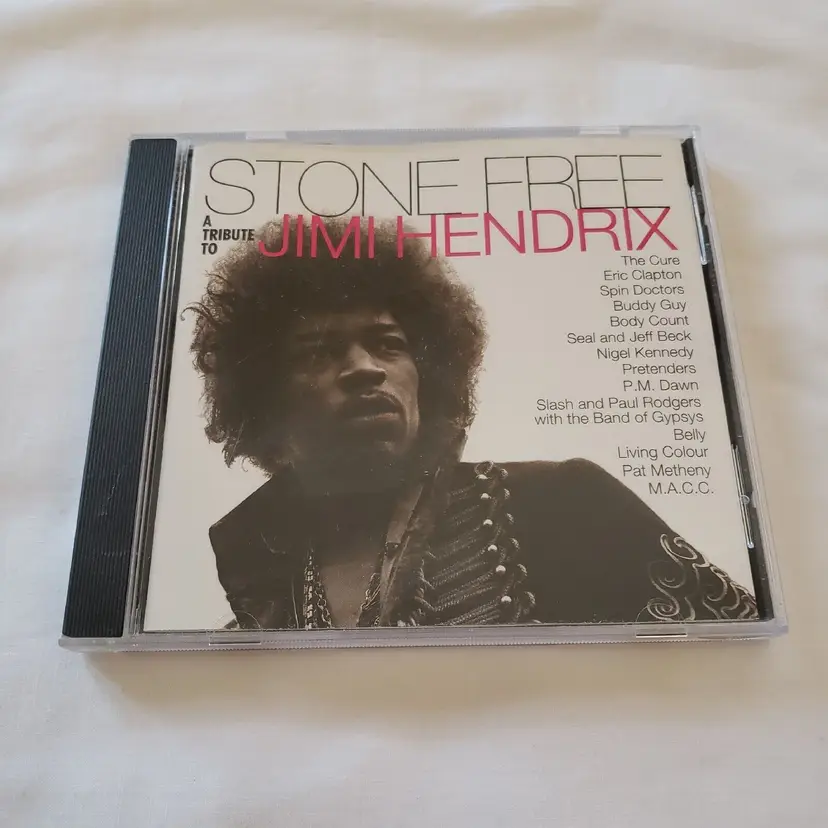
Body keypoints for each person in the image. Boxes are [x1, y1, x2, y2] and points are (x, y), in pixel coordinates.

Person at [187, 216, 759, 630]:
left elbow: (735, 659)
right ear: (265, 397)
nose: (365, 368)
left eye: (389, 344)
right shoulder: (254, 616)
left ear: (428, 372)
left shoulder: (569, 502)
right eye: (318, 352)